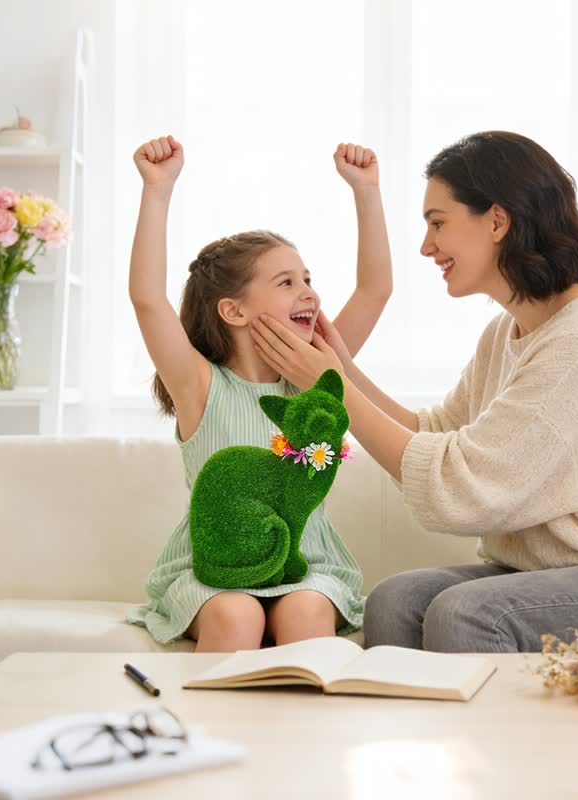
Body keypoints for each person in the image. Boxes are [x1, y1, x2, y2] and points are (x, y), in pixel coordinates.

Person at [249, 130, 578, 654]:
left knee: (465, 614)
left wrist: (329, 389)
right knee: (393, 601)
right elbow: (436, 434)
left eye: (437, 223)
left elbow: (464, 484)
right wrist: (339, 370)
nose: (426, 246)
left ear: (497, 221)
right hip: (550, 572)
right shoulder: (506, 332)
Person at [125, 135, 393, 652]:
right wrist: (156, 191)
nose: (309, 292)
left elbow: (374, 291)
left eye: (308, 279)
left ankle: (303, 707)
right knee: (236, 615)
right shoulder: (199, 386)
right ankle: (207, 710)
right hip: (216, 571)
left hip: (306, 566)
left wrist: (367, 191)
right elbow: (147, 300)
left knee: (306, 612)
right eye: (287, 282)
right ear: (234, 310)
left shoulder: (314, 378)